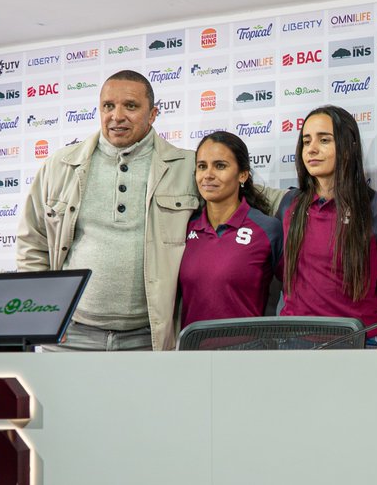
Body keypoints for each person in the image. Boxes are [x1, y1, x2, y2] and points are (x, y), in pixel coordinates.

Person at [17, 70, 282, 351]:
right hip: (72, 336)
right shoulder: (60, 166)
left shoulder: (186, 166)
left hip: (148, 338)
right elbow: (32, 243)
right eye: (108, 106)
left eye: (130, 106)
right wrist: (44, 318)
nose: (117, 116)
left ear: (153, 114)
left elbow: (258, 193)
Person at [276, 105, 377, 345]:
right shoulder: (289, 204)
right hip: (295, 343)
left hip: (359, 342)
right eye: (306, 140)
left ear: (348, 147)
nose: (311, 149)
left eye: (324, 140)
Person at [177, 131, 282, 328]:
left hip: (246, 352)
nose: (208, 175)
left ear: (242, 174)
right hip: (191, 353)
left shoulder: (267, 229)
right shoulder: (184, 227)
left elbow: (297, 292)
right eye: (202, 166)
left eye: (220, 166)